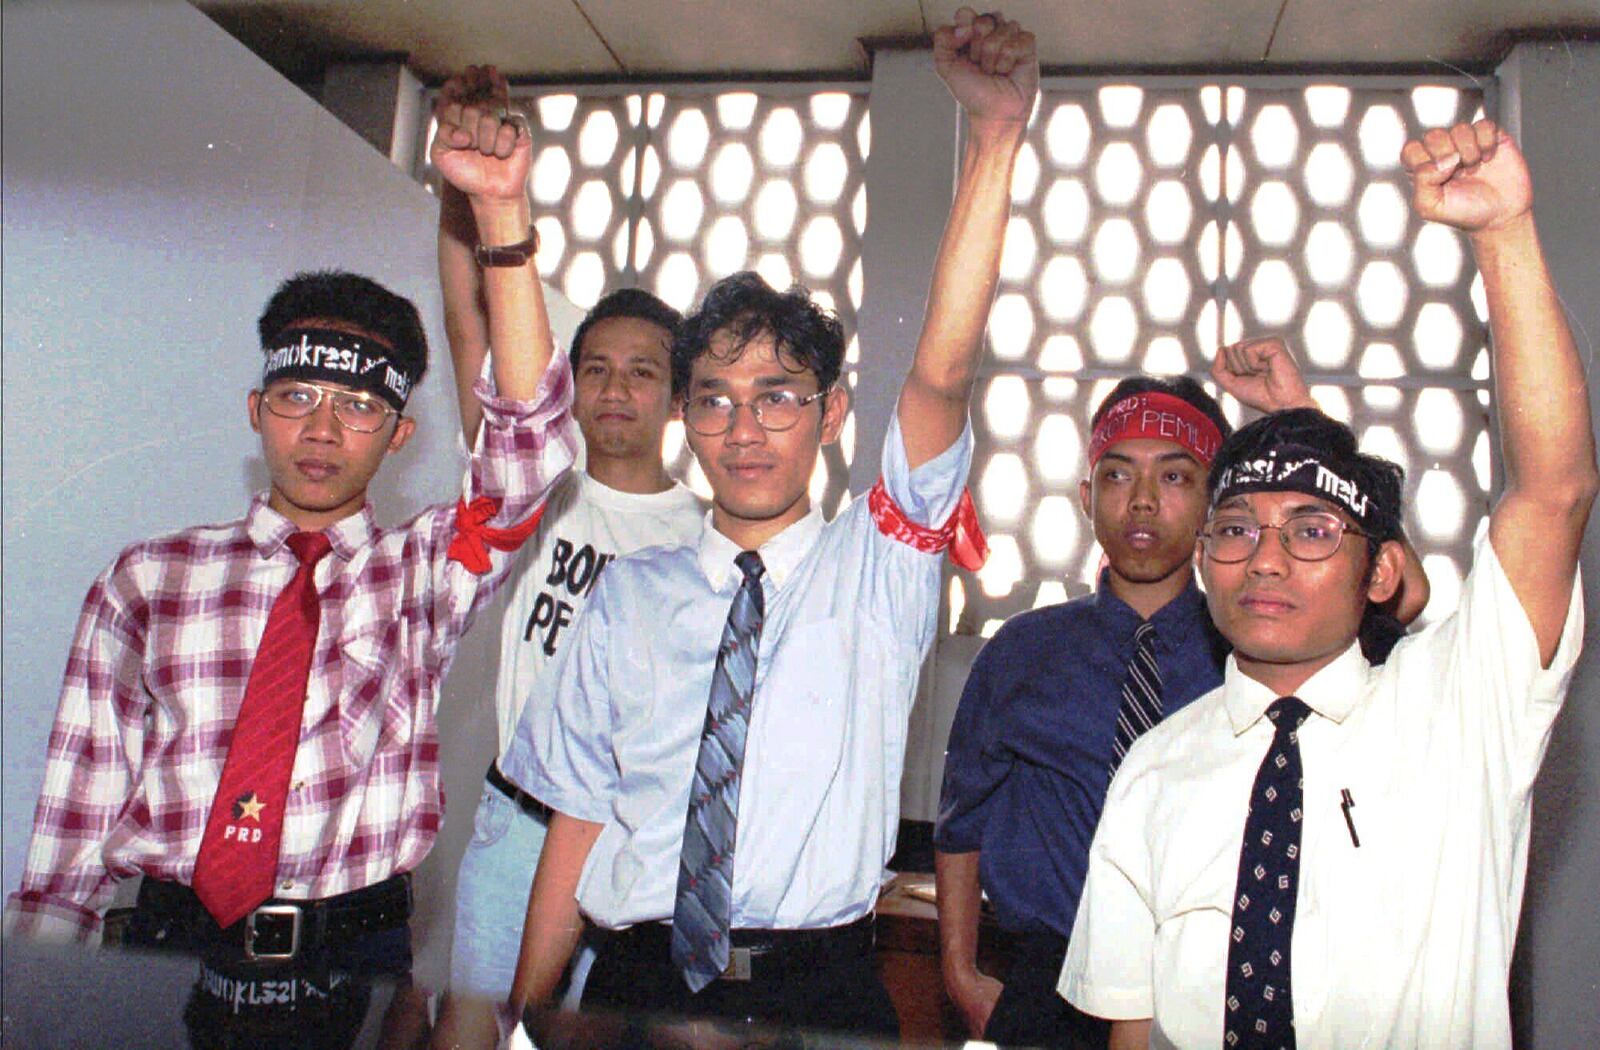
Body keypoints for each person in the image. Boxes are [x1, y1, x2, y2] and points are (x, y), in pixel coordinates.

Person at [500, 8, 1038, 1039]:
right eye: (713, 398)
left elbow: (939, 370)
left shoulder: (875, 565)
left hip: (817, 993)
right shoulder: (629, 596)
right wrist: (522, 1018)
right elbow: (576, 820)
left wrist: (998, 135)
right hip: (637, 982)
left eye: (778, 396)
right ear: (683, 417)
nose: (744, 428)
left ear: (831, 414)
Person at [4, 89, 578, 1049]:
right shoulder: (146, 581)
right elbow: (68, 842)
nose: (321, 429)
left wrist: (503, 218)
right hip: (163, 959)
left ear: (400, 438)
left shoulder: (423, 574)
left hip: (353, 978)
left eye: (357, 408)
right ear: (255, 408)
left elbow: (529, 446)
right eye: (297, 394)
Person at [1061, 119, 1594, 1050]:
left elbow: (1554, 490)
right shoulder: (1151, 773)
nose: (1265, 560)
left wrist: (1503, 234)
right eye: (1236, 530)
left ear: (1381, 569)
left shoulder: (1459, 712)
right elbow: (1131, 1034)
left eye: (1311, 533)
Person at [933, 345, 1429, 1049]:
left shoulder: (1263, 644)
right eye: (1117, 475)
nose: (1142, 501)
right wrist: (961, 972)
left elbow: (1398, 591)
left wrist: (1297, 424)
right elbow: (962, 819)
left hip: (1203, 977)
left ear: (1211, 502)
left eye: (1174, 476)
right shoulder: (1021, 650)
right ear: (1085, 495)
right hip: (1044, 981)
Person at [428, 66, 705, 1050]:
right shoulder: (534, 490)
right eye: (594, 370)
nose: (614, 391)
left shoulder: (703, 539)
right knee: (470, 1030)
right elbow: (471, 326)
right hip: (518, 821)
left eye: (642, 373)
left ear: (678, 401)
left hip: (632, 847)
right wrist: (467, 193)